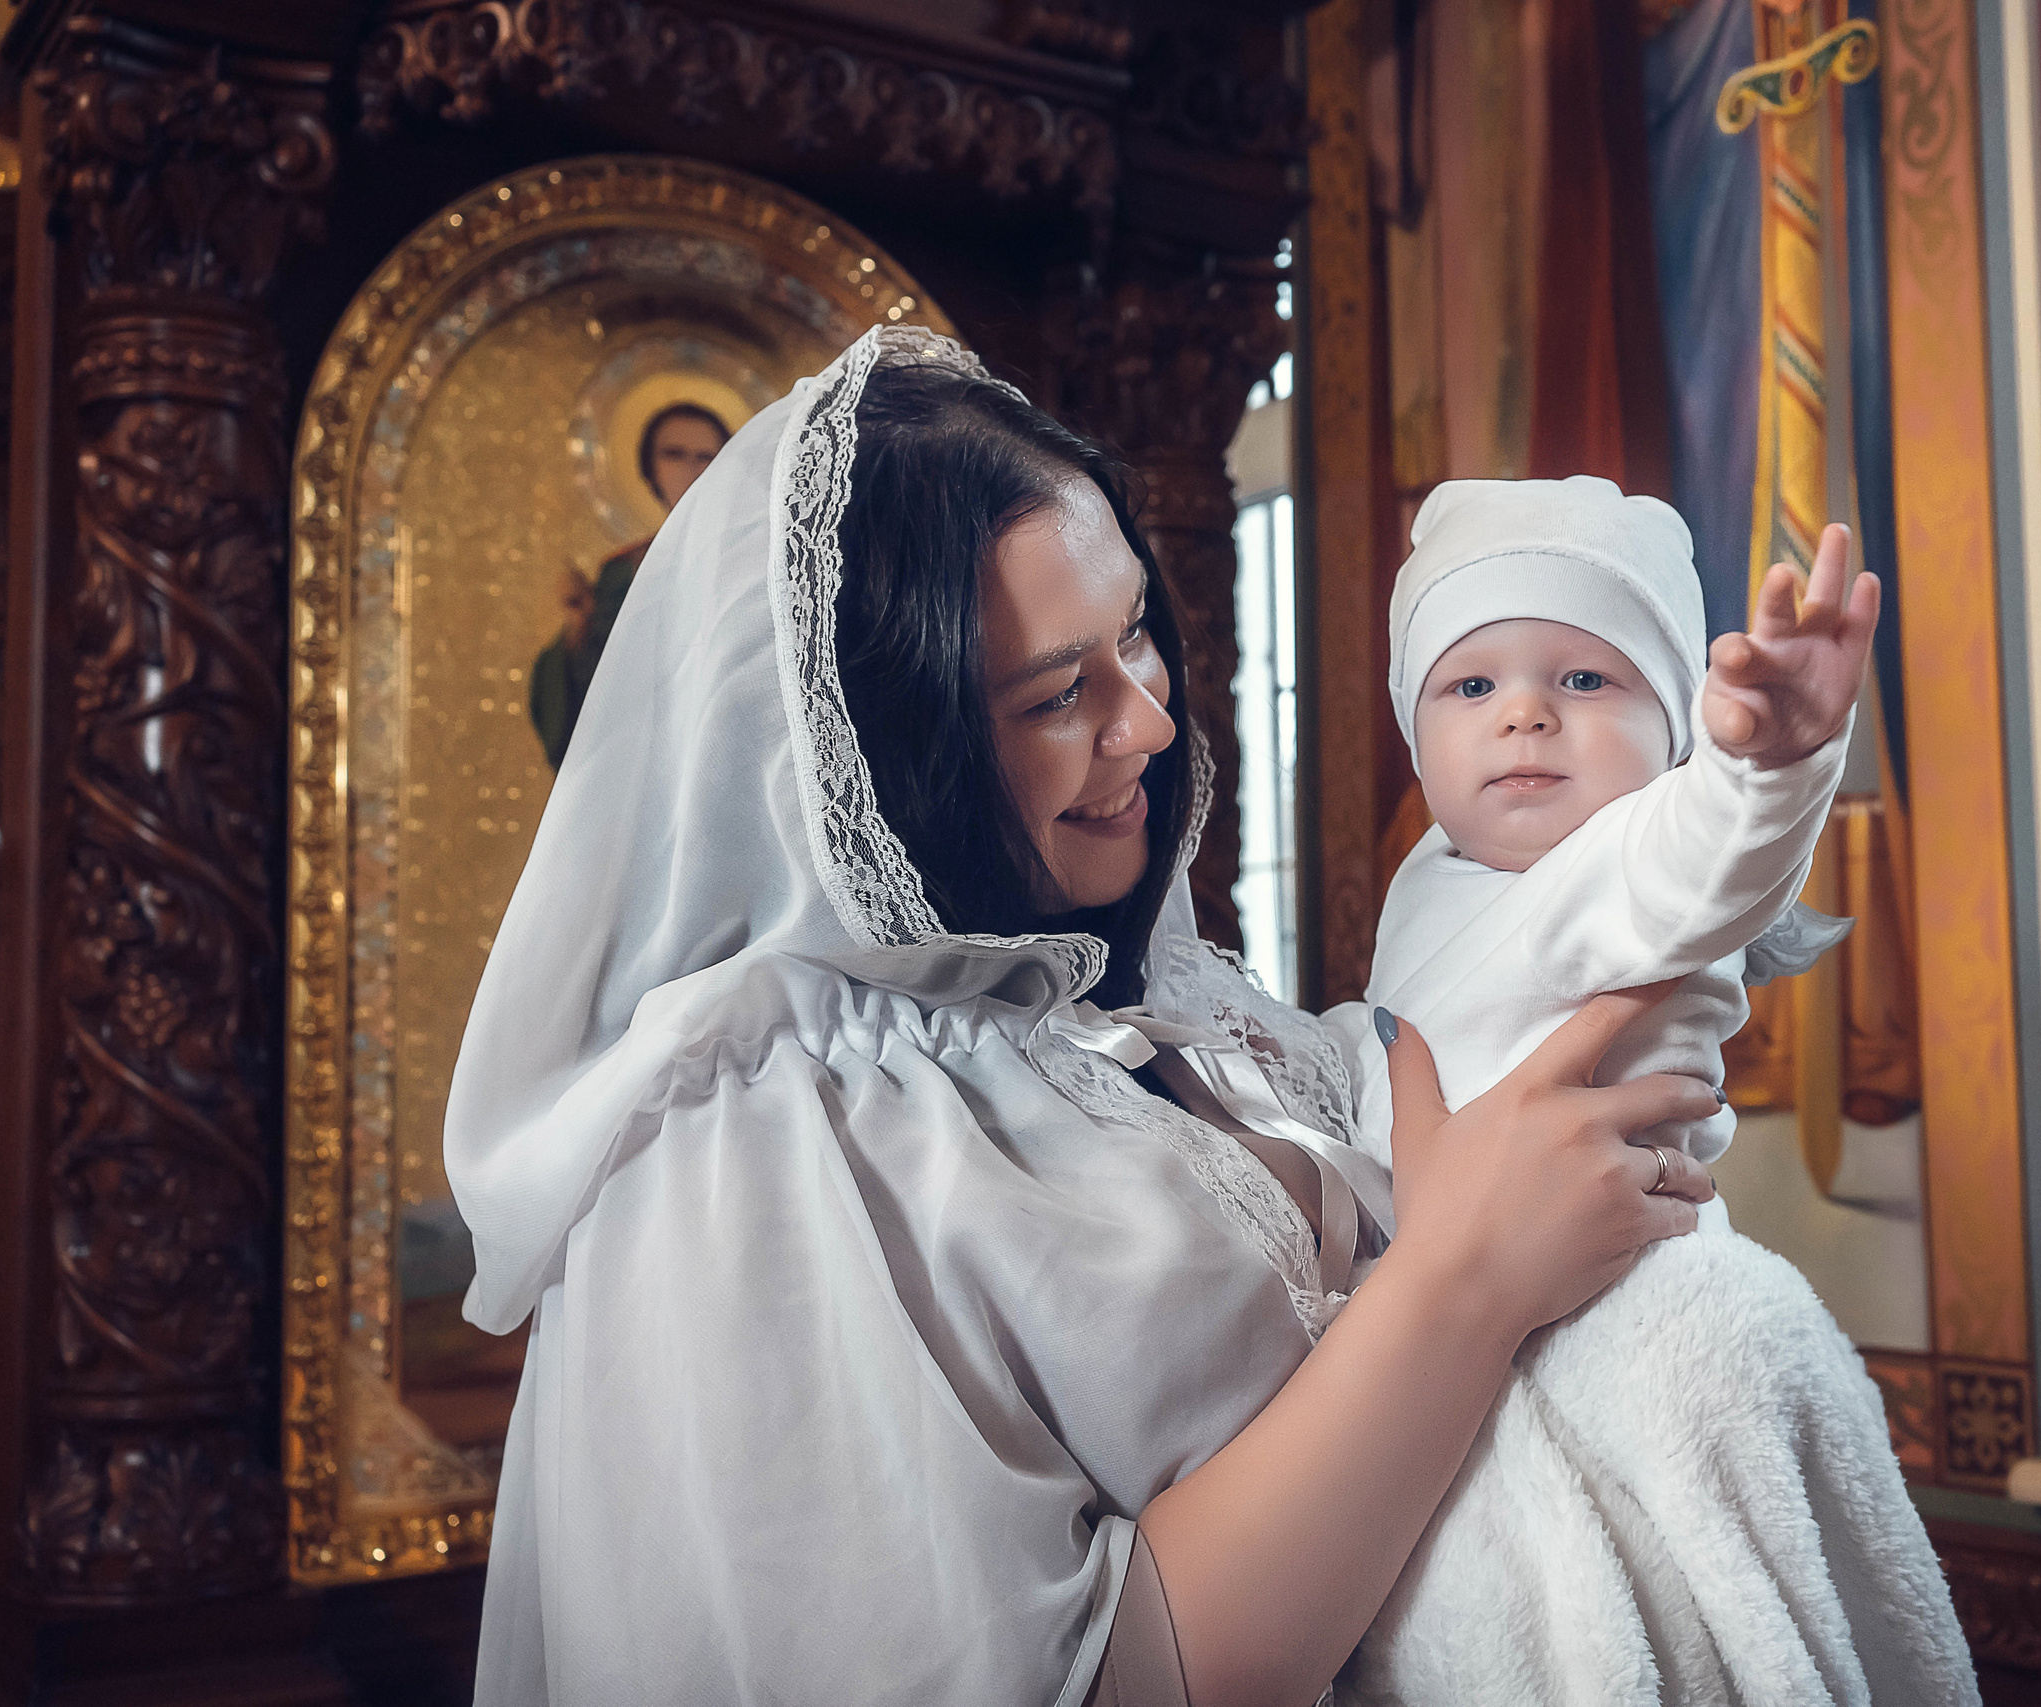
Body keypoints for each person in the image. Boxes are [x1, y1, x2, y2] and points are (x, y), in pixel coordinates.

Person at [443, 326, 1933, 1706]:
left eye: (1138, 636)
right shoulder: (745, 1151)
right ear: (891, 749)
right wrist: (1466, 1278)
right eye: (1052, 694)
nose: (1148, 719)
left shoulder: (1169, 1010)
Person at [1323, 477, 1973, 1705]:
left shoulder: (1621, 865)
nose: (1523, 714)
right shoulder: (1436, 875)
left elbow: (1709, 859)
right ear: (1419, 735)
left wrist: (1771, 766)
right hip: (1463, 1316)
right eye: (1471, 685)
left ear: (1673, 731)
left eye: (1583, 680)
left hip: (1612, 1301)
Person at [528, 399, 730, 769]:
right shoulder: (624, 571)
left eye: (706, 456)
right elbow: (594, 695)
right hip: (645, 759)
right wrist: (580, 625)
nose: (691, 469)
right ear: (649, 468)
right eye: (674, 454)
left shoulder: (753, 558)